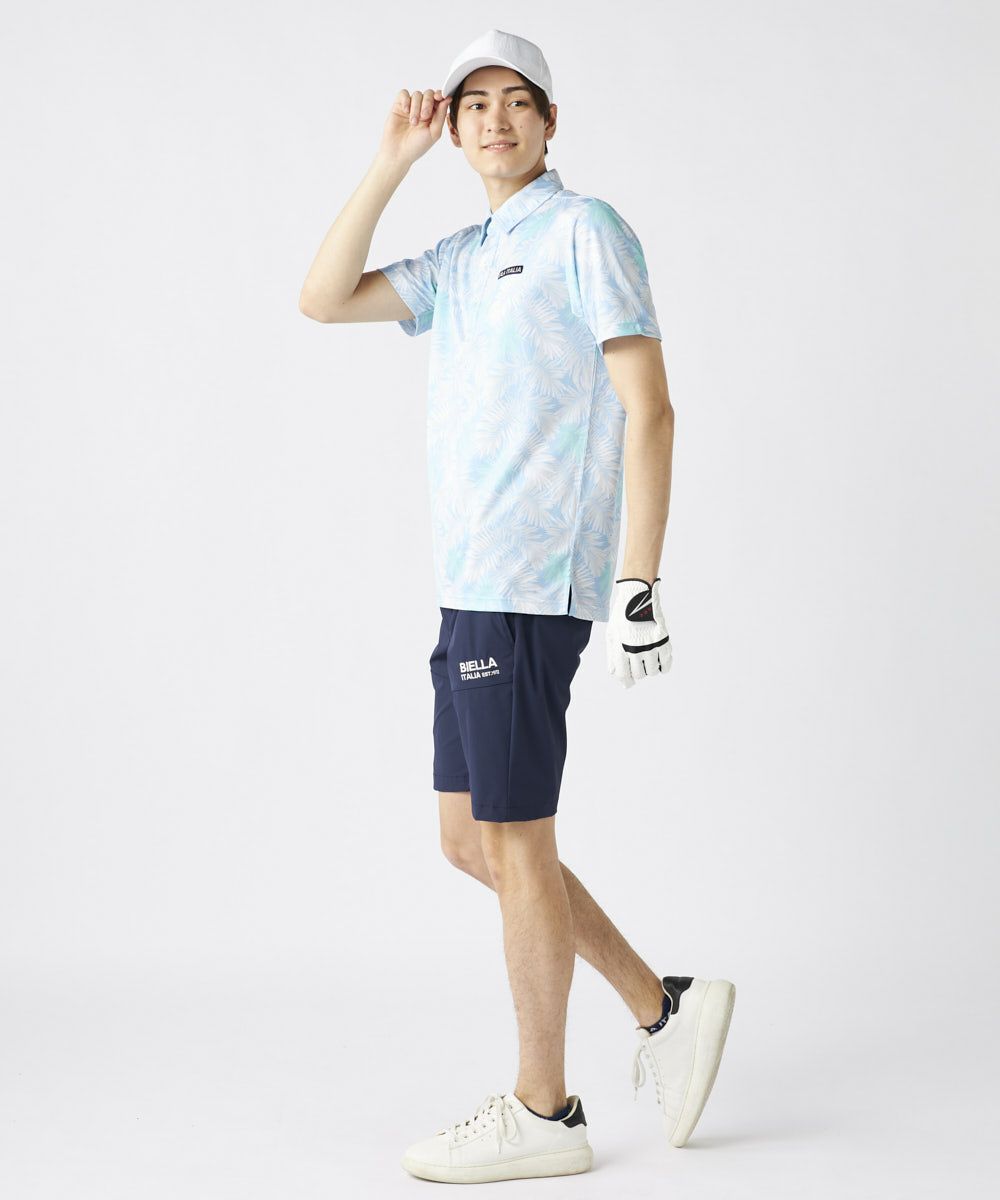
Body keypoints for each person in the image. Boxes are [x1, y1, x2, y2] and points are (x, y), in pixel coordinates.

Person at [299, 28, 735, 1185]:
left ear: (549, 122)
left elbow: (651, 406)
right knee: (469, 840)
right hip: (469, 587)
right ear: (452, 127)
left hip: (532, 587)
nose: (494, 120)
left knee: (517, 841)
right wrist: (390, 160)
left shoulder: (584, 231)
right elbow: (321, 297)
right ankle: (663, 1007)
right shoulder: (464, 254)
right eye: (472, 105)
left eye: (516, 101)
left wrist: (639, 580)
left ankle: (546, 1110)